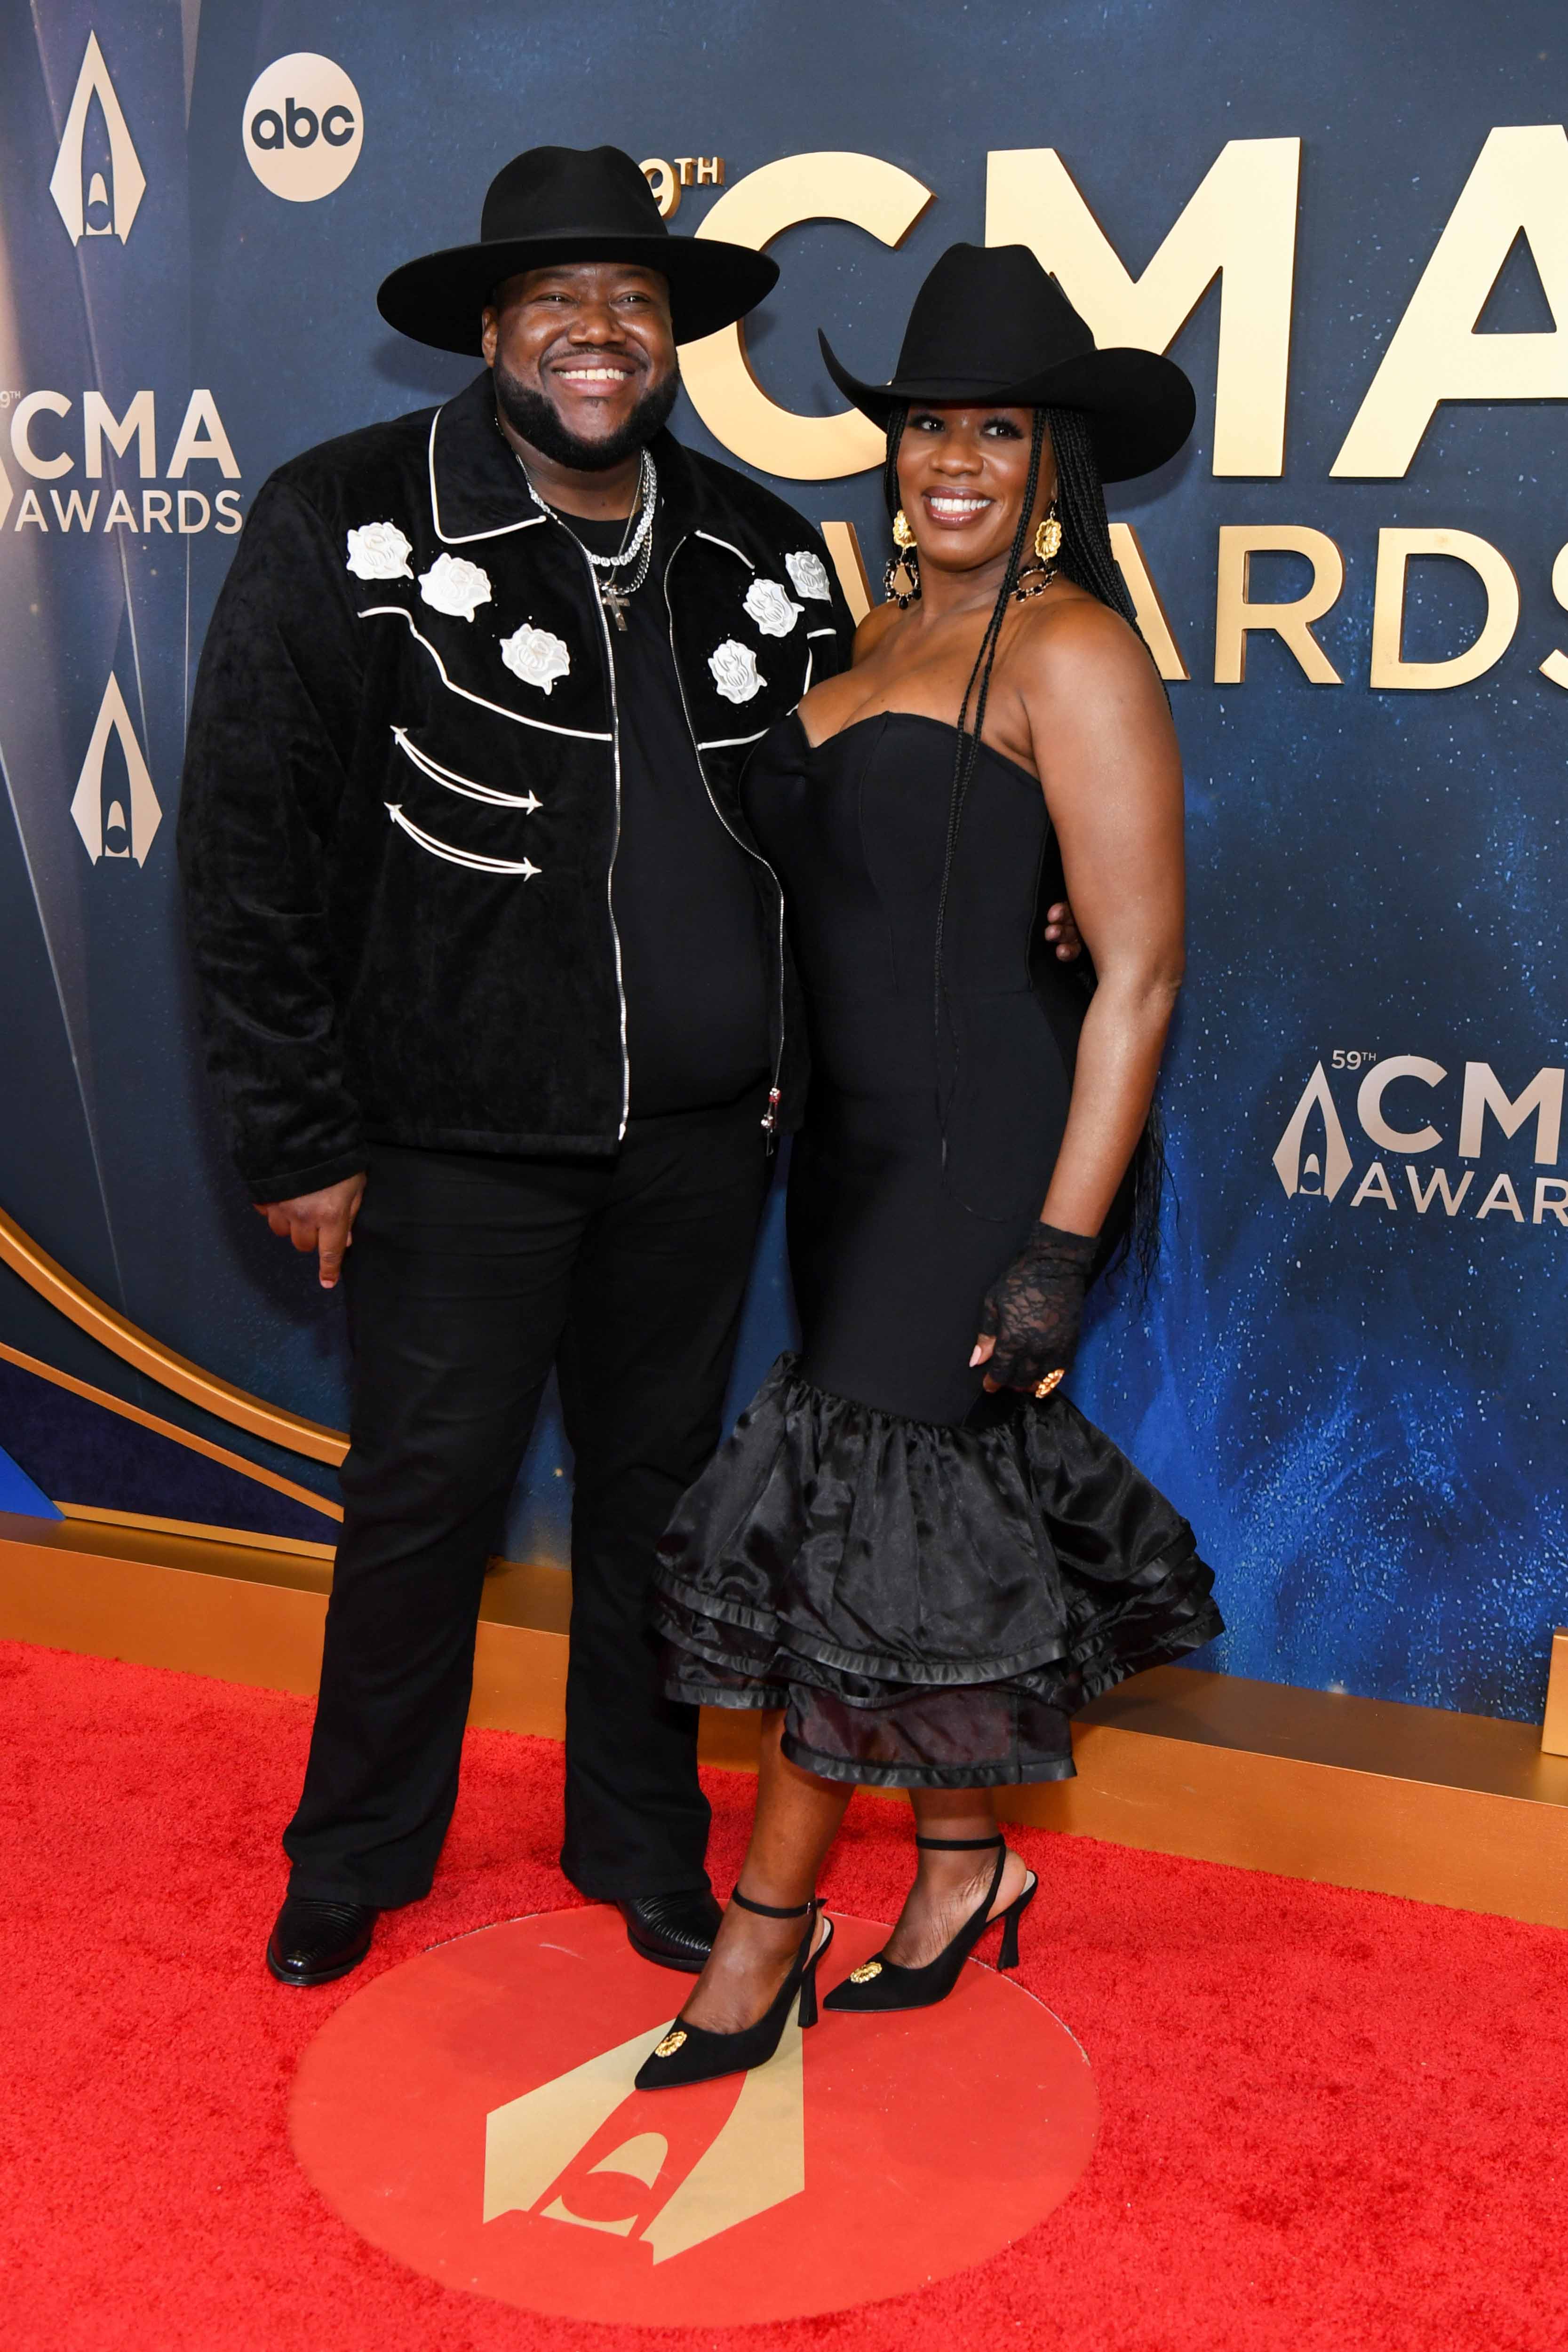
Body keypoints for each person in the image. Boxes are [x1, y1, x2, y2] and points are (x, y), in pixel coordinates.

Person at [177, 145, 873, 1989]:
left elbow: (844, 818)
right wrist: (296, 1132)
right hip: (453, 1133)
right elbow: (247, 846)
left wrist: (1026, 896)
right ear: (491, 330)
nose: (597, 332)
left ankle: (639, 1843)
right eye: (556, 301)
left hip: (702, 1142)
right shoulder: (345, 519)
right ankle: (355, 1851)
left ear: (673, 339)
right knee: (425, 1498)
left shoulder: (760, 550)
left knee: (660, 1504)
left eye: (631, 302)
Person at [632, 244, 1224, 2091]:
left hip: (980, 1164)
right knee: (932, 1523)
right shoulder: (870, 638)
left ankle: (764, 1932)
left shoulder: (1073, 647)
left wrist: (1057, 1245)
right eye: (925, 427)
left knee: (856, 1529)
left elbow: (1138, 972)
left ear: (1055, 463)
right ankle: (965, 1863)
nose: (955, 460)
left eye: (999, 431)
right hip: (849, 1161)